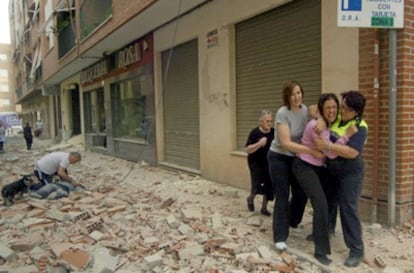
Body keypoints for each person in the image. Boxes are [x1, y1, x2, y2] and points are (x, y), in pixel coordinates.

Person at [292, 93, 357, 265]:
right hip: (304, 166)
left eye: (334, 107)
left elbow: (329, 148)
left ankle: (319, 231)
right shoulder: (317, 126)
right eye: (328, 108)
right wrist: (347, 136)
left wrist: (322, 117)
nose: (332, 110)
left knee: (329, 198)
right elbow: (331, 152)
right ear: (322, 109)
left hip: (319, 167)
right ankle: (321, 252)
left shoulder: (329, 123)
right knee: (320, 203)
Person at [267, 80, 324, 251]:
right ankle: (280, 237)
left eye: (299, 93)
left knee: (301, 192)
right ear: (287, 96)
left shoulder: (305, 110)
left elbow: (317, 110)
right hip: (279, 157)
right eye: (293, 94)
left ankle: (292, 222)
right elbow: (285, 143)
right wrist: (312, 152)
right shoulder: (282, 113)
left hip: (296, 158)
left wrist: (319, 119)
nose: (296, 97)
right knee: (282, 195)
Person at [315, 90, 368, 267]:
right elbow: (313, 109)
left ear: (355, 111)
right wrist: (321, 119)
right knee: (329, 201)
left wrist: (328, 145)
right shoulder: (338, 118)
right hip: (333, 169)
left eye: (344, 108)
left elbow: (352, 152)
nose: (340, 111)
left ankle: (356, 250)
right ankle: (328, 230)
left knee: (348, 207)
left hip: (351, 172)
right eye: (341, 106)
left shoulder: (359, 127)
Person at [245, 110, 274, 216]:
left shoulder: (273, 132)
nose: (270, 123)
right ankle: (250, 198)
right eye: (267, 121)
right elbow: (247, 150)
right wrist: (259, 143)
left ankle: (264, 208)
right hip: (255, 163)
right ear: (261, 122)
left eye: (271, 121)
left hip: (268, 163)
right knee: (256, 185)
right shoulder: (254, 133)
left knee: (268, 185)